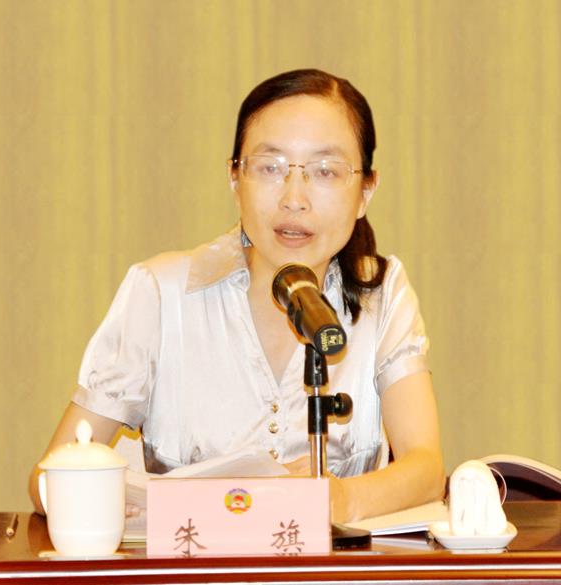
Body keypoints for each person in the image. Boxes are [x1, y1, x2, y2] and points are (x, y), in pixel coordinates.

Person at [29, 69, 445, 523]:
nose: (294, 199)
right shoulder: (161, 293)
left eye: (325, 171)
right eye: (270, 167)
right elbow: (48, 480)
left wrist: (339, 498)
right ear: (234, 178)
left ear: (365, 191)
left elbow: (425, 469)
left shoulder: (381, 294)